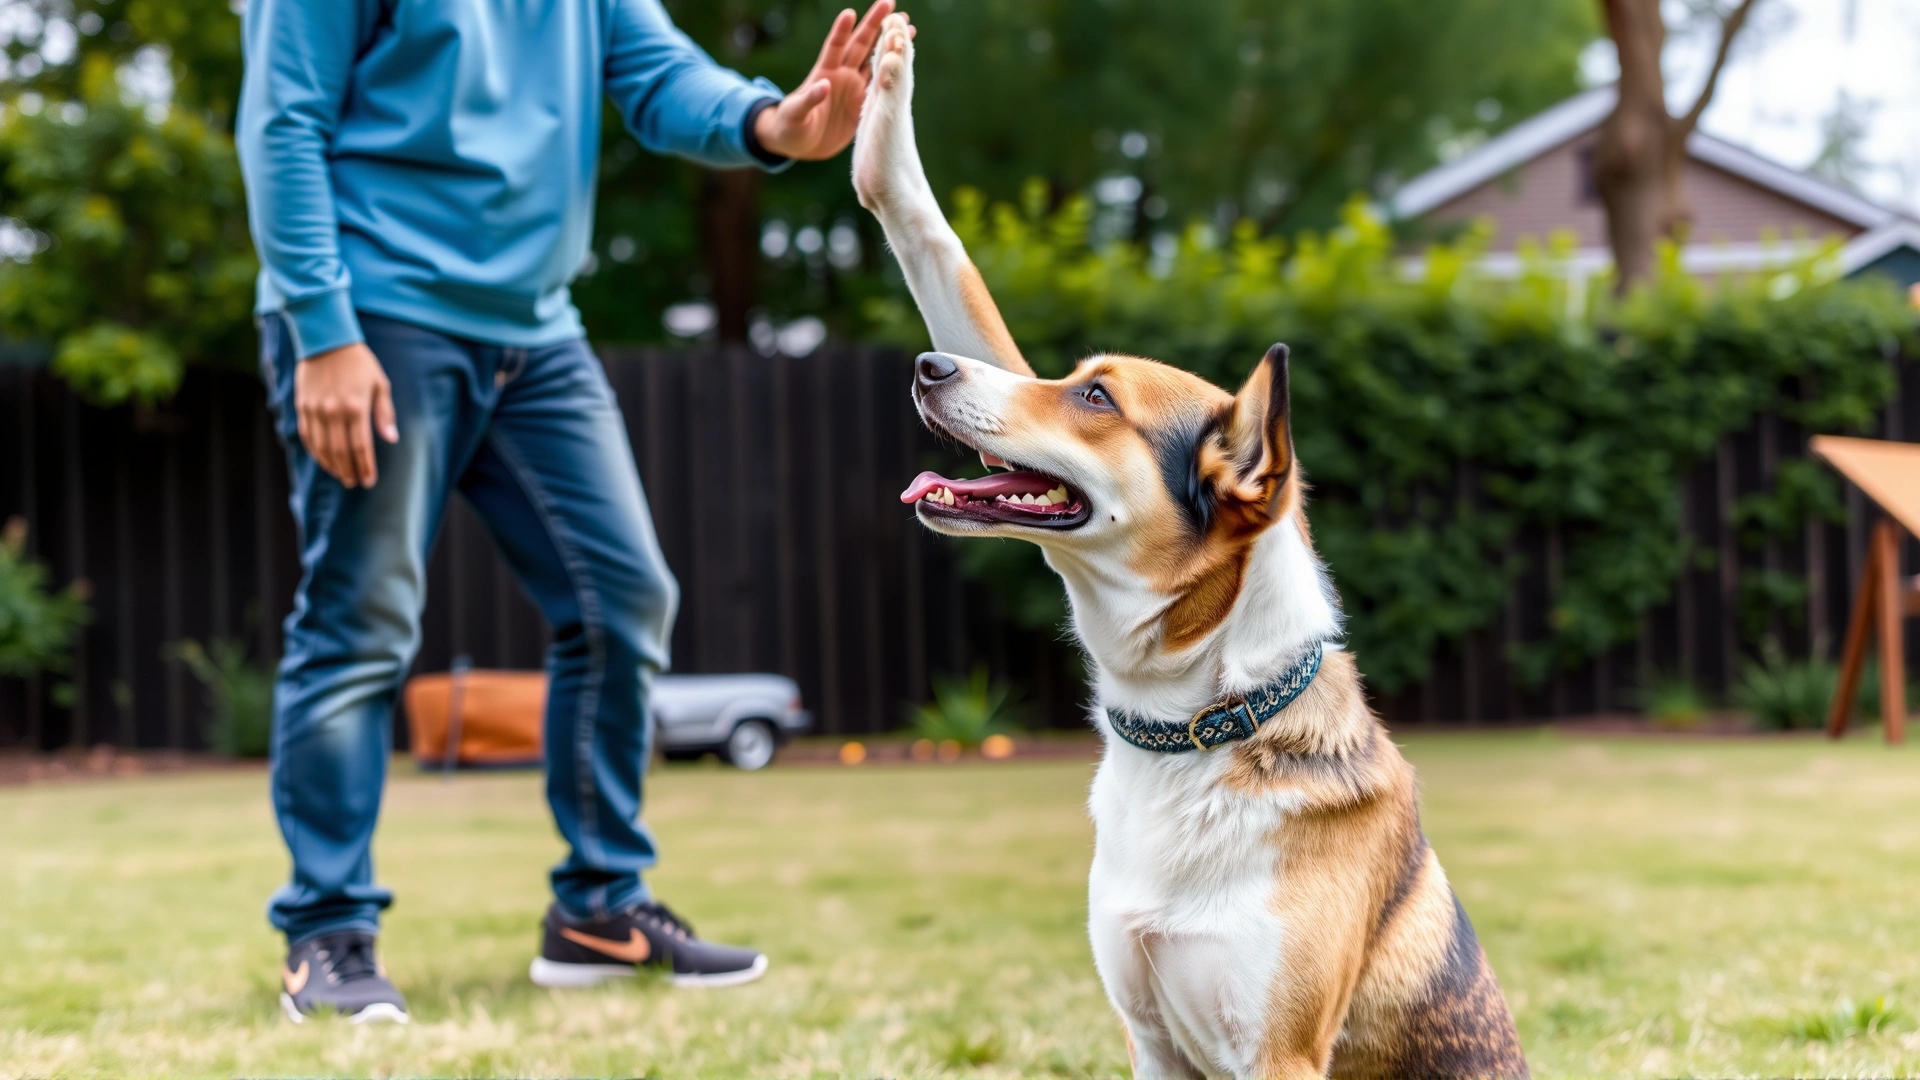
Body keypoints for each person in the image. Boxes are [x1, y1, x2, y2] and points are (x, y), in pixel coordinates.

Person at [237, 0, 905, 1023]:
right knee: (360, 623)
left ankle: (598, 908)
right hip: (376, 311)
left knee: (624, 597)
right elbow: (281, 121)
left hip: (535, 332)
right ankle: (326, 934)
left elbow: (660, 76)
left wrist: (771, 123)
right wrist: (321, 327)